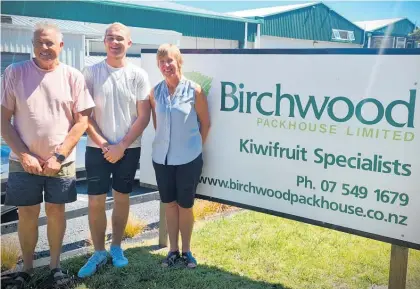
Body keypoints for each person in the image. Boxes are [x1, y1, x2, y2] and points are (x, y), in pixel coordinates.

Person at [0, 22, 94, 288]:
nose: (45, 47)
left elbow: (81, 122)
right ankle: (26, 269)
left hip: (61, 162)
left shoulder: (72, 76)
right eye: (40, 42)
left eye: (50, 43)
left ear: (61, 46)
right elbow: (3, 120)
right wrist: (24, 154)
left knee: (56, 212)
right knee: (27, 214)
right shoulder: (14, 73)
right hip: (23, 161)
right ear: (32, 45)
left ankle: (56, 267)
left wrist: (60, 156)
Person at [77, 22, 151, 278]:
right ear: (104, 41)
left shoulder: (139, 75)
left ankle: (117, 247)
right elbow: (84, 115)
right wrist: (105, 144)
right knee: (95, 201)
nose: (114, 42)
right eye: (110, 38)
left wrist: (121, 145)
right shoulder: (90, 72)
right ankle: (98, 252)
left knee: (122, 198)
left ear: (129, 43)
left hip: (129, 149)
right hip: (97, 148)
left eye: (120, 38)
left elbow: (143, 116)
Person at [150, 43, 211, 269]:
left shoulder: (195, 91)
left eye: (170, 61)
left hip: (188, 159)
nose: (166, 65)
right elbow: (158, 124)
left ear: (179, 62)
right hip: (162, 160)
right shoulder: (154, 92)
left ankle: (187, 251)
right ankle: (172, 250)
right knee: (169, 205)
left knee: (185, 206)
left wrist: (194, 146)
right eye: (162, 62)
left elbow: (206, 123)